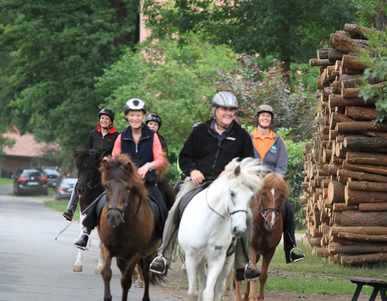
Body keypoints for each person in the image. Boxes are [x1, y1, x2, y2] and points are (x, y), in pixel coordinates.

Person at [149, 91, 261, 281]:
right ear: (214, 110)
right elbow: (185, 157)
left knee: (248, 216)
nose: (228, 113)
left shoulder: (241, 136)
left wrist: (232, 170)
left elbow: (248, 162)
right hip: (198, 182)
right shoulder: (200, 132)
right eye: (224, 109)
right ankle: (163, 256)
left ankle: (245, 264)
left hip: (227, 185)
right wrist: (193, 171)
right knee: (176, 208)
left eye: (232, 110)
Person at [73, 99, 167, 249]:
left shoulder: (152, 136)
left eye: (138, 115)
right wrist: (109, 164)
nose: (135, 118)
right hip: (124, 182)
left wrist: (148, 166)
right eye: (132, 115)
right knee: (101, 199)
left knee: (162, 209)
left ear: (143, 116)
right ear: (127, 117)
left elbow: (160, 159)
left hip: (146, 182)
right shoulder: (121, 137)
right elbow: (116, 158)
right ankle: (85, 231)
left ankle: (163, 247)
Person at [250, 104, 305, 263]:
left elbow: (281, 166)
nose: (265, 118)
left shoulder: (277, 140)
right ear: (257, 118)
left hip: (270, 183)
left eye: (268, 116)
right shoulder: (248, 138)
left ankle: (291, 248)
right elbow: (243, 159)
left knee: (287, 208)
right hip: (252, 181)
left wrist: (272, 180)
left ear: (271, 120)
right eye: (262, 115)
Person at [62, 108, 119, 222]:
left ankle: (114, 210)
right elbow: (86, 148)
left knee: (113, 184)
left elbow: (117, 151)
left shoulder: (116, 135)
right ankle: (70, 209)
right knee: (80, 182)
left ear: (111, 121)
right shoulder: (93, 134)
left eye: (106, 119)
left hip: (106, 166)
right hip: (92, 165)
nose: (104, 120)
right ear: (99, 120)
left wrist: (110, 158)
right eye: (102, 118)